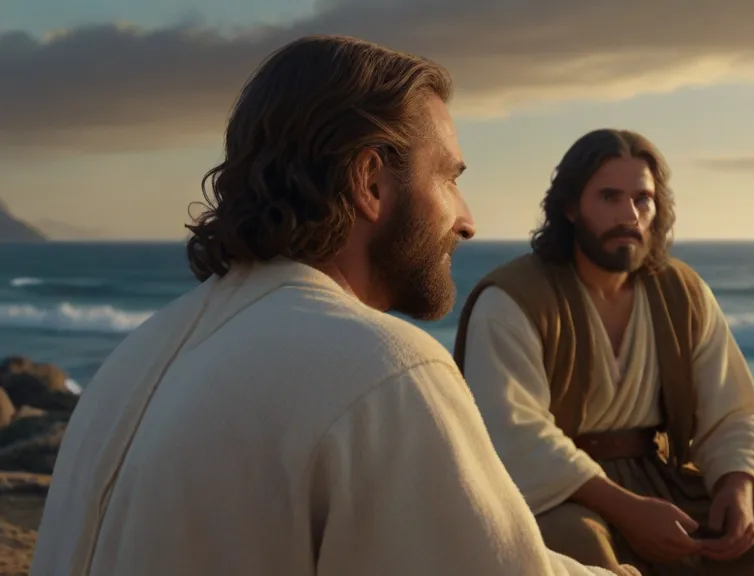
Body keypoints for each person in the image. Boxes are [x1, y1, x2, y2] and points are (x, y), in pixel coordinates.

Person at [30, 37, 637, 576]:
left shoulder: (136, 357)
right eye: (449, 178)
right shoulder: (384, 368)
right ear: (371, 182)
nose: (468, 220)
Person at [452, 129, 754, 575]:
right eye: (609, 197)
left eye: (642, 199)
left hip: (662, 484)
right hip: (562, 493)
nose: (629, 214)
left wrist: (738, 485)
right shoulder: (514, 300)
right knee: (573, 542)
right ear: (571, 207)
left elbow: (733, 411)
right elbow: (513, 433)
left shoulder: (681, 293)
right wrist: (628, 511)